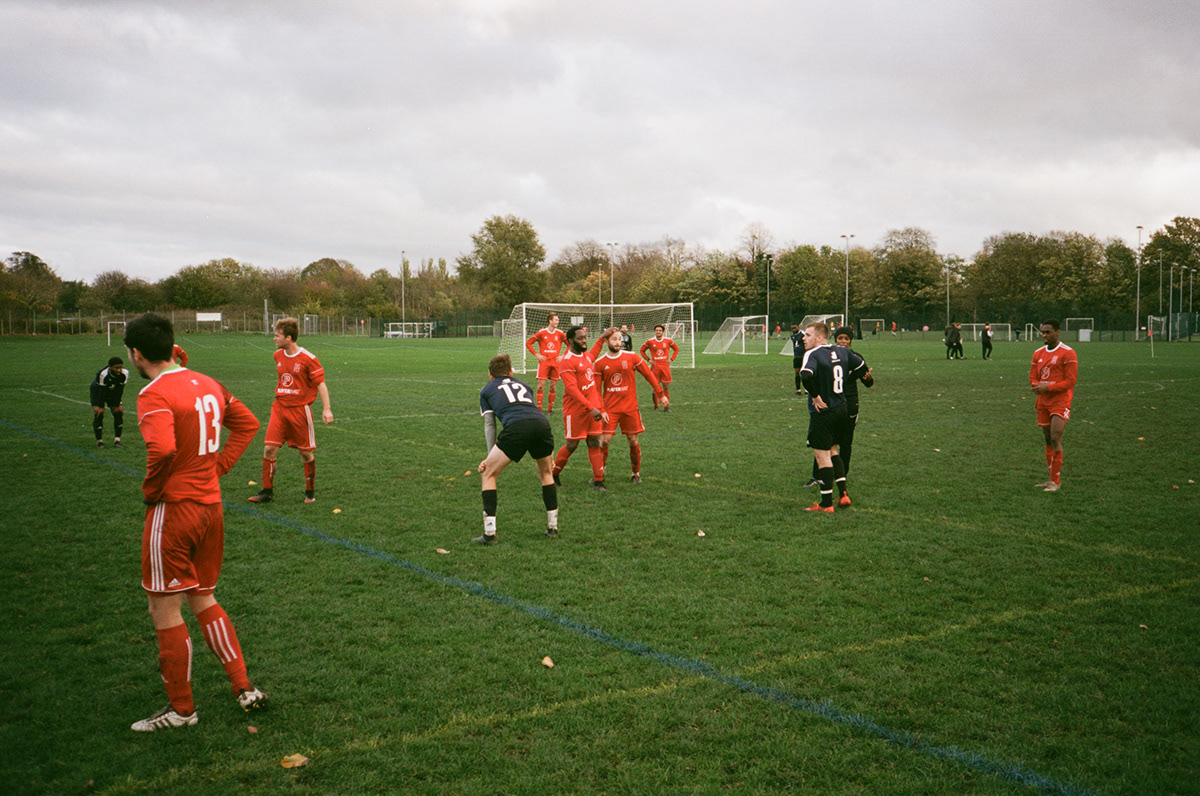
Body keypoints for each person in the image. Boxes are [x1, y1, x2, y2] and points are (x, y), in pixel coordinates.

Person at [122, 312, 266, 731]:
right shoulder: (206, 382)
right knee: (203, 596)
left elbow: (163, 450)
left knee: (163, 608)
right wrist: (218, 465)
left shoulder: (153, 393)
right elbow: (247, 423)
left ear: (135, 353)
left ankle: (182, 710)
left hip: (174, 509)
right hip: (210, 506)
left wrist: (152, 491)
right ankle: (244, 687)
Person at [249, 318, 333, 504]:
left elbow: (321, 384)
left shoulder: (308, 359)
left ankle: (310, 493)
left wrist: (327, 409)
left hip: (299, 411)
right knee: (269, 449)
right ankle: (267, 492)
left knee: (305, 454)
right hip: (279, 409)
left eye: (277, 335)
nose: (274, 339)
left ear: (289, 337)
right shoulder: (277, 356)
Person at [476, 354, 559, 542]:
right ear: (511, 372)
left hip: (517, 426)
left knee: (488, 473)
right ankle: (552, 528)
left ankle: (489, 534)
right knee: (546, 474)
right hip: (542, 424)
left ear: (490, 375)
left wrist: (489, 458)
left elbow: (490, 424)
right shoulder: (524, 385)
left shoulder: (486, 389)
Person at [799, 322, 863, 512]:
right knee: (833, 451)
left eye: (808, 335)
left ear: (820, 338)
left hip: (824, 412)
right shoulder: (842, 351)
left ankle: (826, 504)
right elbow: (861, 367)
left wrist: (816, 395)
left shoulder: (813, 353)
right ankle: (843, 494)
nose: (804, 338)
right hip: (842, 409)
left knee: (822, 456)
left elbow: (805, 375)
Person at [593, 327, 667, 484]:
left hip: (630, 408)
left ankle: (635, 474)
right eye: (614, 339)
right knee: (604, 441)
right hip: (610, 410)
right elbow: (596, 391)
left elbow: (648, 375)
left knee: (633, 441)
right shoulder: (599, 363)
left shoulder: (632, 357)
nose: (618, 342)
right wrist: (601, 409)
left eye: (620, 339)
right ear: (606, 341)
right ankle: (600, 473)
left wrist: (660, 394)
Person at [551, 326, 610, 491]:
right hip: (575, 410)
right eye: (580, 339)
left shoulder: (584, 355)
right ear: (570, 341)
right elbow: (572, 390)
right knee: (572, 444)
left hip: (592, 409)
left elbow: (592, 355)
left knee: (594, 442)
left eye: (585, 338)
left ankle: (599, 481)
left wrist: (602, 338)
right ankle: (553, 475)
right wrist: (591, 407)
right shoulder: (566, 361)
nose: (584, 341)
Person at [1030, 319, 1077, 492]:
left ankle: (1056, 481)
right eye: (1043, 332)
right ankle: (1050, 479)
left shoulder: (1068, 353)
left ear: (1057, 332)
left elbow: (1071, 381)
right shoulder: (1038, 353)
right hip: (1043, 401)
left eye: (1048, 332)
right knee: (1047, 438)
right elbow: (1033, 376)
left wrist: (1048, 387)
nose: (1044, 335)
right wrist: (1036, 385)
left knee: (1056, 436)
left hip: (1060, 400)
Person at [524, 313, 566, 412]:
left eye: (558, 320)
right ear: (550, 321)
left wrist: (563, 356)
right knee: (540, 385)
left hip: (556, 363)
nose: (557, 322)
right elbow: (528, 343)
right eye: (556, 320)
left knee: (552, 387)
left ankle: (550, 410)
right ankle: (539, 410)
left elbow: (570, 345)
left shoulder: (560, 333)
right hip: (544, 363)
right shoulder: (541, 333)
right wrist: (536, 354)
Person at [639, 324, 679, 411]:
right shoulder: (650, 341)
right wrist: (648, 359)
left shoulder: (668, 341)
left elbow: (676, 349)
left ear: (663, 332)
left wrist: (672, 359)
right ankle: (656, 407)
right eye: (656, 330)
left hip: (665, 368)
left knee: (665, 388)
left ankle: (666, 407)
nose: (658, 332)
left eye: (660, 330)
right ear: (654, 331)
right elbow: (641, 350)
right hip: (655, 368)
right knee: (655, 389)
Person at [90, 356, 128, 448]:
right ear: (110, 367)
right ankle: (100, 442)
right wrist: (99, 406)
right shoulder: (103, 374)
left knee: (118, 412)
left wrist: (119, 404)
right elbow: (102, 392)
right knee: (99, 413)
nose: (119, 370)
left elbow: (120, 390)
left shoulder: (125, 373)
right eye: (116, 368)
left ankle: (117, 441)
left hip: (113, 391)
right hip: (98, 391)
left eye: (120, 367)